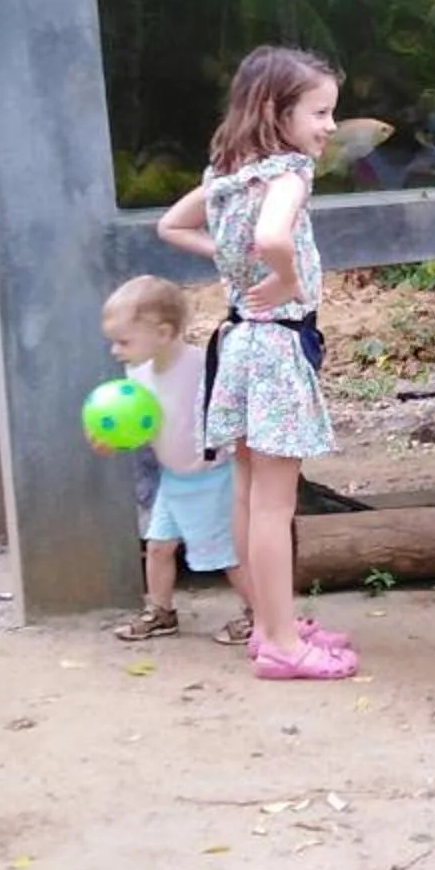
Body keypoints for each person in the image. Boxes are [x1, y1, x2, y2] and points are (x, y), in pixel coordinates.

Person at [157, 47, 359, 683]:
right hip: (274, 347)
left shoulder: (231, 171)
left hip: (239, 342)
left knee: (247, 496)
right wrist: (286, 276)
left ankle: (269, 619)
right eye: (320, 112)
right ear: (278, 111)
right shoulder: (288, 176)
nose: (329, 125)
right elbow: (274, 237)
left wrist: (233, 261)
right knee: (275, 504)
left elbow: (171, 225)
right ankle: (279, 642)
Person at [96, 275, 253, 647]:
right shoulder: (136, 374)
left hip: (212, 478)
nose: (116, 351)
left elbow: (232, 410)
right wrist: (112, 442)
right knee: (157, 546)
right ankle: (161, 612)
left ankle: (258, 614)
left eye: (124, 341)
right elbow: (138, 428)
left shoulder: (203, 367)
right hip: (174, 478)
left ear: (164, 333)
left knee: (230, 555)